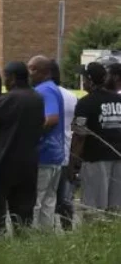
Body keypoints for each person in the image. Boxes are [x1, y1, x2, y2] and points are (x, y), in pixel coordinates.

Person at [0, 61, 45, 237]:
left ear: (11, 78)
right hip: (27, 166)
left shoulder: (11, 98)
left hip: (0, 167)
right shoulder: (37, 98)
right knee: (23, 218)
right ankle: (22, 251)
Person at [72, 61, 121, 215]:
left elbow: (80, 136)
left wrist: (73, 163)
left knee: (93, 209)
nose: (83, 82)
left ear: (90, 81)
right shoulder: (118, 100)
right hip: (118, 158)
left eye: (84, 79)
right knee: (116, 208)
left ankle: (94, 234)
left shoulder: (85, 103)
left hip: (95, 160)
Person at [27, 56, 65, 230]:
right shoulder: (53, 88)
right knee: (49, 201)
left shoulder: (44, 90)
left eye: (33, 69)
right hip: (55, 156)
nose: (30, 73)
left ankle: (33, 241)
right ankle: (46, 238)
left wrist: (33, 135)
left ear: (45, 71)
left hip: (43, 154)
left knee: (35, 201)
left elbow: (52, 119)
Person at [51, 62, 78, 230]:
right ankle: (67, 230)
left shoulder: (43, 94)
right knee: (64, 200)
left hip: (47, 155)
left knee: (44, 199)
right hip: (67, 152)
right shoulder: (71, 96)